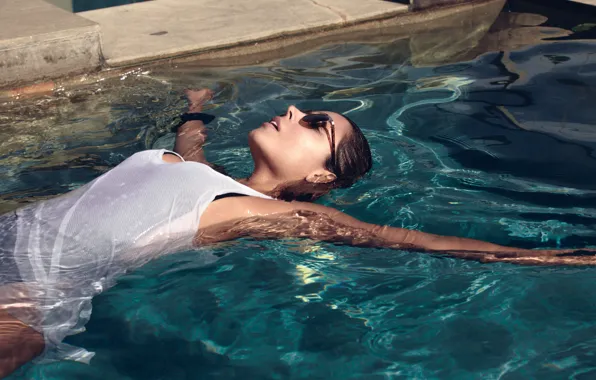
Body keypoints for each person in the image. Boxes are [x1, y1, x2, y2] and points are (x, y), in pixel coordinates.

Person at [0, 89, 593, 377]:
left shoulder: (269, 213)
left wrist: (558, 259)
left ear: (318, 177)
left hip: (32, 288)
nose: (290, 114)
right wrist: (196, 109)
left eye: (315, 126)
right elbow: (190, 144)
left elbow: (407, 240)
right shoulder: (190, 167)